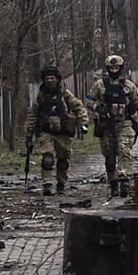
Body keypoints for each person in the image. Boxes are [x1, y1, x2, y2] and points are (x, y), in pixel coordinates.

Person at [86, 54, 138, 197]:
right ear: (107, 69)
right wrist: (98, 108)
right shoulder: (99, 85)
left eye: (116, 68)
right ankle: (113, 183)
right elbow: (88, 101)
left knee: (124, 150)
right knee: (109, 156)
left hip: (124, 124)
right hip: (106, 126)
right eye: (111, 68)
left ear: (120, 68)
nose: (114, 71)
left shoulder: (128, 85)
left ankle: (124, 181)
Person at [24, 65, 89, 196]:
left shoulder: (65, 94)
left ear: (57, 79)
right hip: (45, 132)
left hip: (63, 133)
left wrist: (84, 122)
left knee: (63, 160)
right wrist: (28, 132)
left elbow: (78, 106)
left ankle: (61, 184)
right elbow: (33, 115)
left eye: (52, 78)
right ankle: (47, 184)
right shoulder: (40, 96)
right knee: (47, 158)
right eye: (47, 78)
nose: (49, 81)